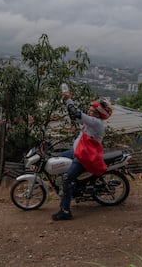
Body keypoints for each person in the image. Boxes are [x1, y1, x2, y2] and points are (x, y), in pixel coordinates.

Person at [52, 91, 113, 221]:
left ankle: (65, 211)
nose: (89, 111)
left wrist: (69, 100)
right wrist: (67, 102)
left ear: (98, 114)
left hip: (83, 157)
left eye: (92, 110)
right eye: (89, 109)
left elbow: (77, 113)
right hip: (77, 151)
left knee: (67, 179)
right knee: (55, 158)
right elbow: (75, 115)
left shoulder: (95, 122)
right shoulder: (90, 121)